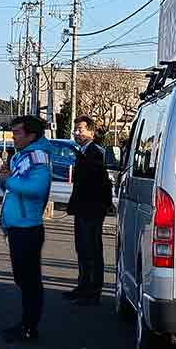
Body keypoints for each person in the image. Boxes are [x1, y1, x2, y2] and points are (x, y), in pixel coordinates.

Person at [0, 116, 51, 343]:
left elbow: (37, 188)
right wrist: (4, 178)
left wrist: (8, 180)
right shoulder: (23, 156)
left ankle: (29, 327)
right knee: (23, 279)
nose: (13, 137)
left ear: (31, 135)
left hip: (27, 227)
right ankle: (25, 324)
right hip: (18, 226)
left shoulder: (37, 157)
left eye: (18, 133)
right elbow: (10, 186)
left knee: (29, 281)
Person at [66, 116, 114, 307]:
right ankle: (82, 285)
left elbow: (103, 185)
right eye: (76, 130)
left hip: (93, 209)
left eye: (81, 129)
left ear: (91, 132)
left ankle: (93, 291)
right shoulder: (83, 152)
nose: (77, 133)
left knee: (92, 249)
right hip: (82, 207)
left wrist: (101, 206)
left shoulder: (96, 153)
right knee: (82, 248)